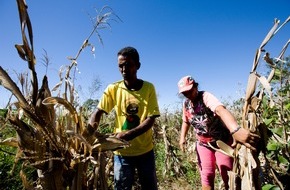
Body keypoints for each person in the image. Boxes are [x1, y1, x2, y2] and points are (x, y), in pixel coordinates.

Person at [89, 46, 160, 190]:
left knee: (149, 186)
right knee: (121, 187)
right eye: (120, 66)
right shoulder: (113, 89)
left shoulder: (148, 88)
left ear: (138, 66)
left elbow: (151, 119)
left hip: (145, 151)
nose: (123, 69)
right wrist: (89, 131)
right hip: (121, 153)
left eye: (128, 65)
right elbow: (98, 112)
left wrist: (128, 134)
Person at [177, 75, 260, 190]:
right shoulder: (186, 104)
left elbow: (220, 110)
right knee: (207, 174)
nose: (188, 94)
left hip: (221, 141)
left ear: (195, 86)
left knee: (227, 172)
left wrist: (235, 130)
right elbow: (185, 121)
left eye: (190, 91)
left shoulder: (205, 96)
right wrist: (182, 138)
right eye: (185, 93)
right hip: (203, 144)